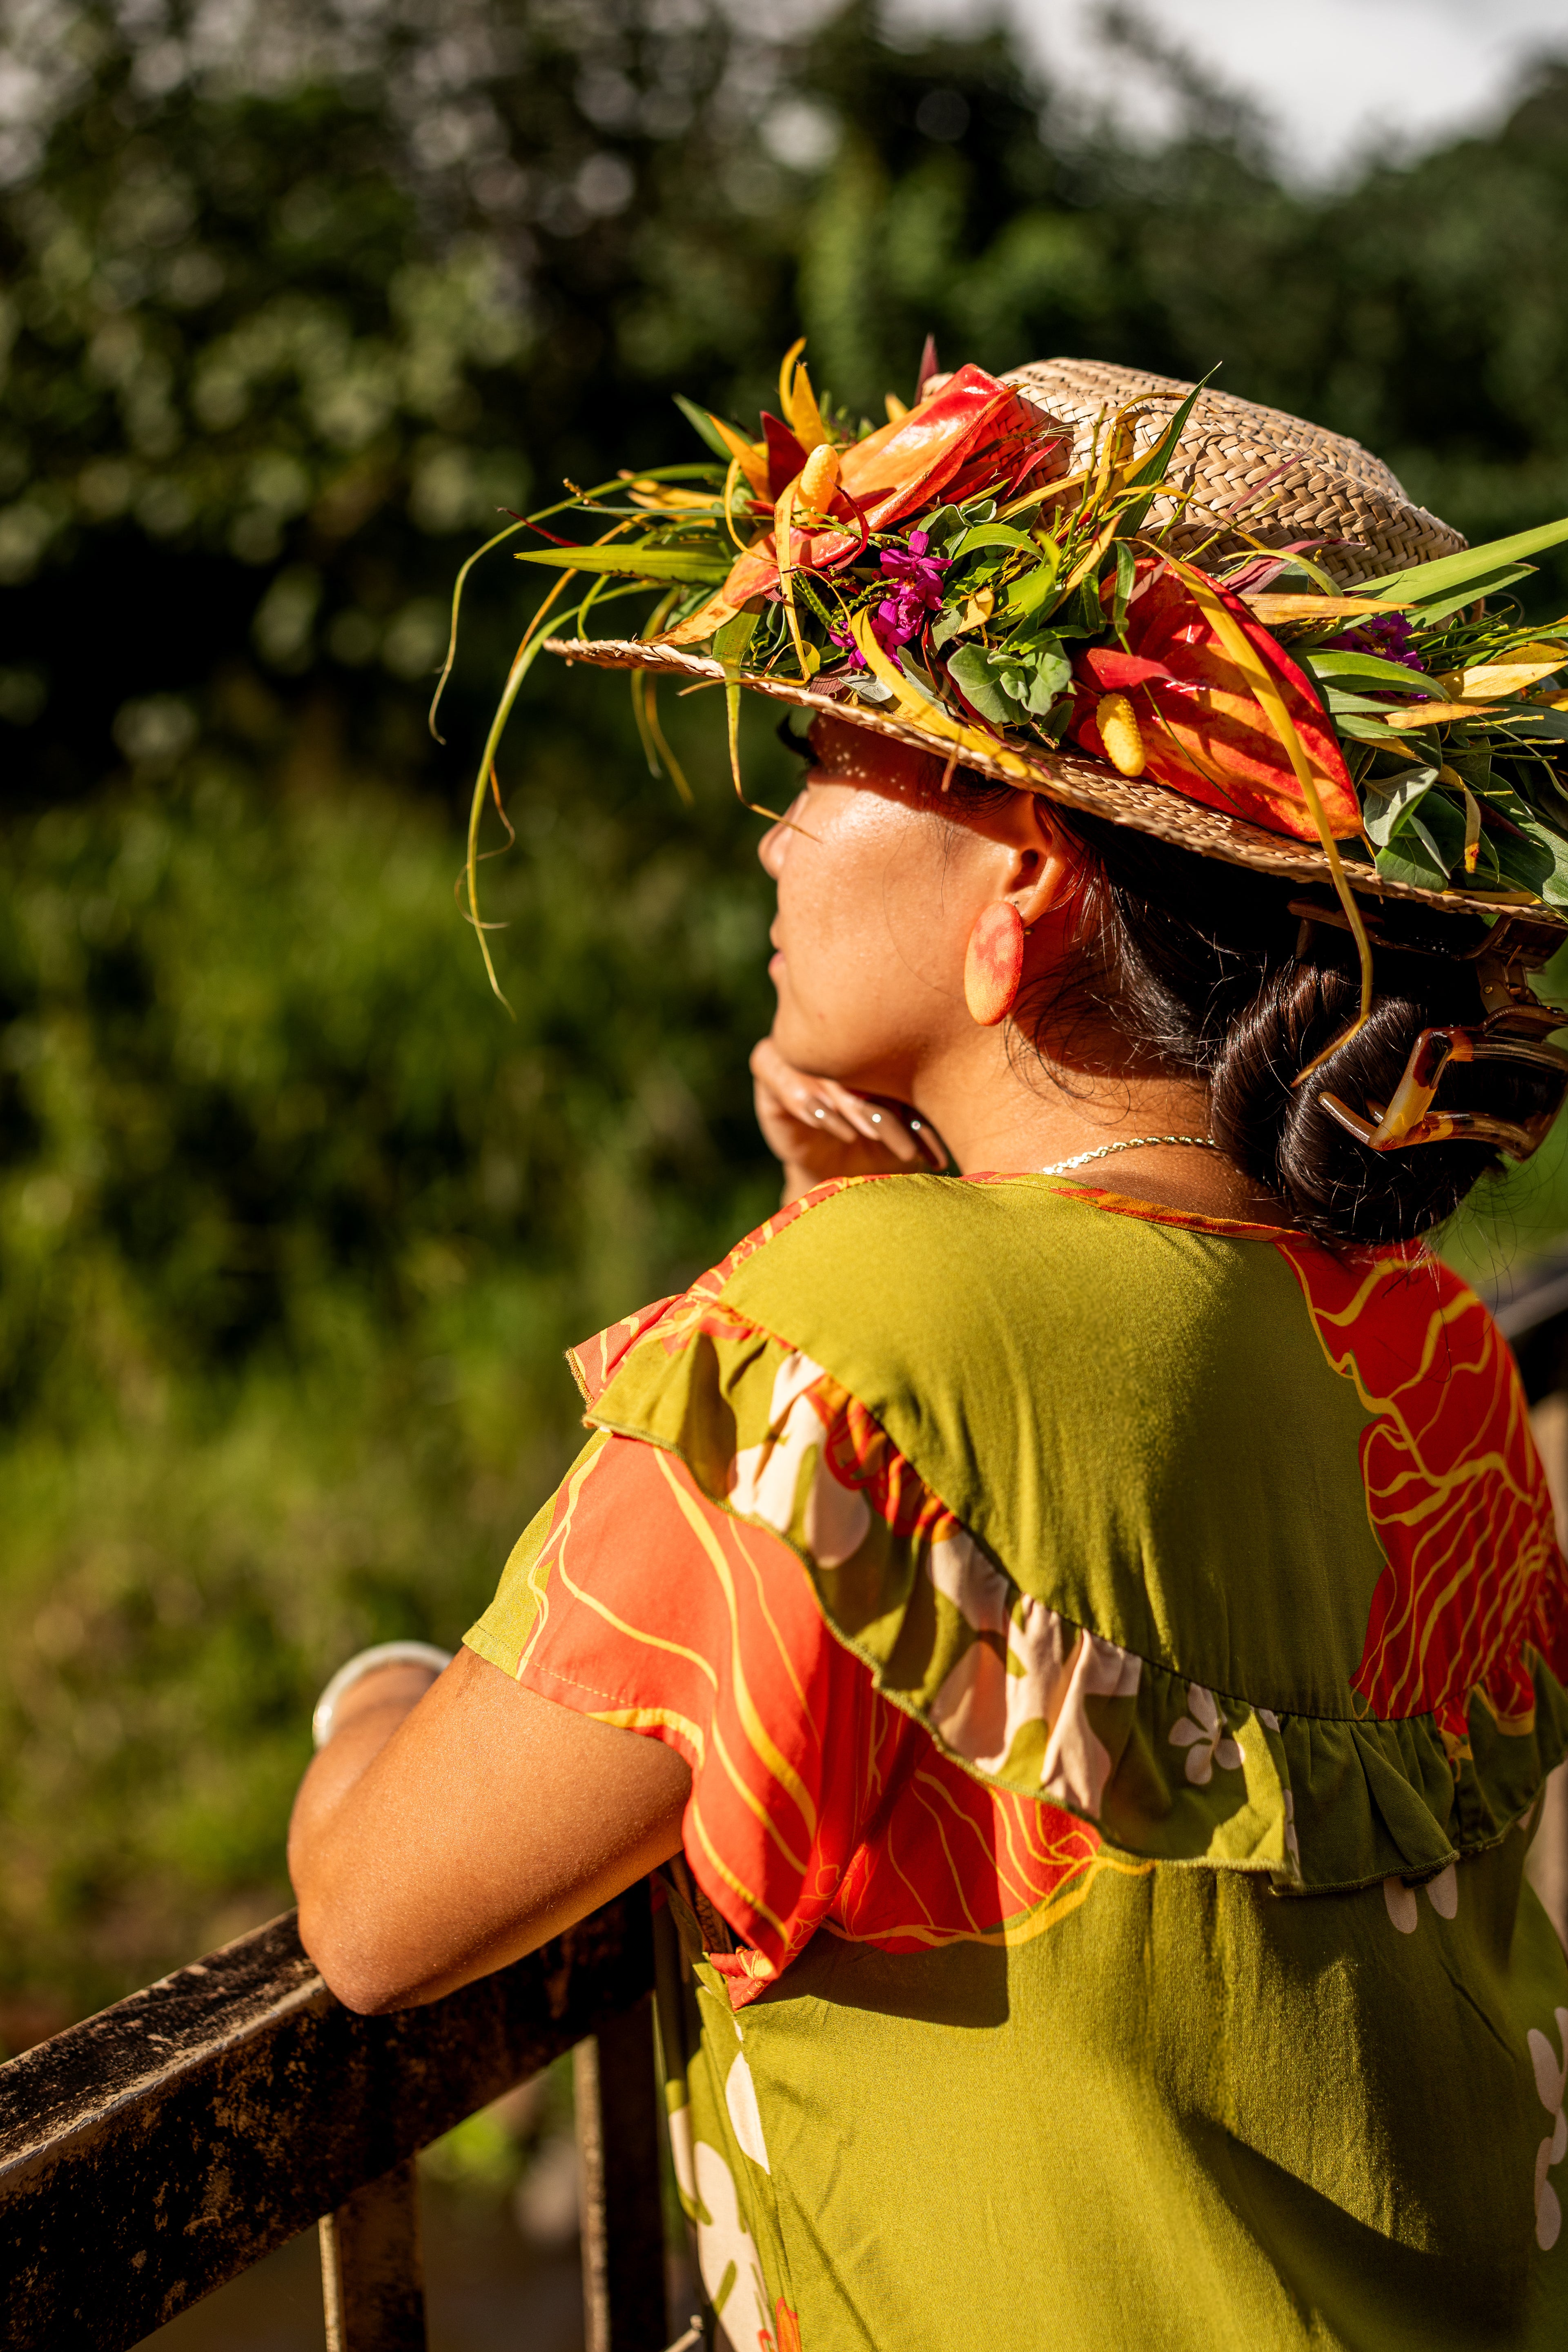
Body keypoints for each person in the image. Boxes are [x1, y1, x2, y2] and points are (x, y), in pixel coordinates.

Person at [291, 355, 1568, 2349]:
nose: (775, 843)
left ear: (1026, 877)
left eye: (825, 763)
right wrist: (878, 1219)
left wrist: (364, 1702)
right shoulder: (1431, 1339)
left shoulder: (859, 1331)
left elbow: (379, 1919)